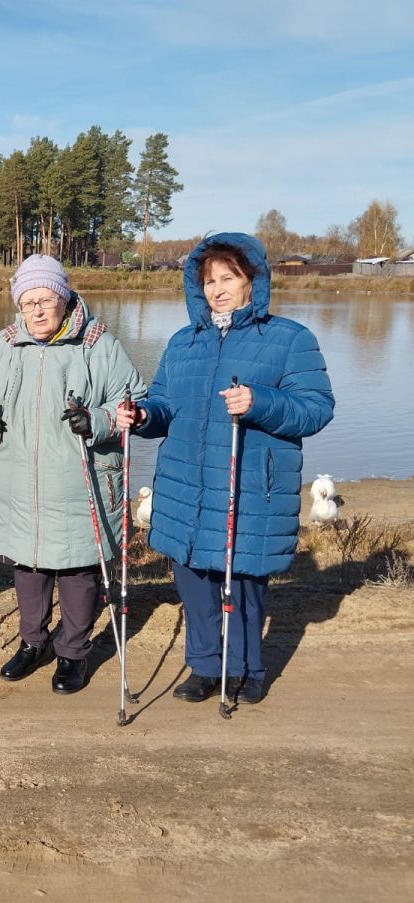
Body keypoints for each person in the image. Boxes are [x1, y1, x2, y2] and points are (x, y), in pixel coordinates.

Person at [117, 233, 333, 706]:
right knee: (194, 581)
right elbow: (165, 403)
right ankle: (206, 667)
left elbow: (316, 409)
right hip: (185, 485)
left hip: (248, 484)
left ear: (252, 281)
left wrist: (260, 402)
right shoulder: (182, 342)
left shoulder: (289, 339)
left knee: (242, 583)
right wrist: (143, 416)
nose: (217, 289)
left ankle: (247, 669)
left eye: (228, 278)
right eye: (209, 280)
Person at [0, 256, 146, 694]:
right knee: (28, 566)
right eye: (29, 303)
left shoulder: (98, 344)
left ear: (64, 299)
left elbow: (134, 400)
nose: (38, 310)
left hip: (79, 480)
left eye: (46, 300)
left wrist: (98, 421)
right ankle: (34, 643)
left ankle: (73, 653)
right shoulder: (5, 344)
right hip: (17, 481)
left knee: (77, 570)